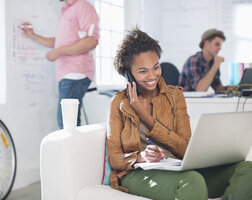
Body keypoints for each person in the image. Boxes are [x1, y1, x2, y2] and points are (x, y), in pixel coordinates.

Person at [107, 27, 252, 200]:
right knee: (192, 181)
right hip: (135, 173)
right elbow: (114, 158)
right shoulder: (119, 102)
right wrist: (140, 157)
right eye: (143, 71)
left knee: (246, 169)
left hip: (176, 167)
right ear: (128, 74)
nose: (152, 75)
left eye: (155, 67)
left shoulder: (175, 96)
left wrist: (145, 116)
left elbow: (184, 148)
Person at [20, 0, 99, 129]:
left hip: (76, 74)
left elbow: (91, 41)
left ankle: (77, 150)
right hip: (68, 74)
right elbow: (61, 43)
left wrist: (59, 51)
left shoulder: (83, 7)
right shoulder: (68, 9)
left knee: (67, 124)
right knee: (69, 124)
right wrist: (34, 36)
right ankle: (78, 149)